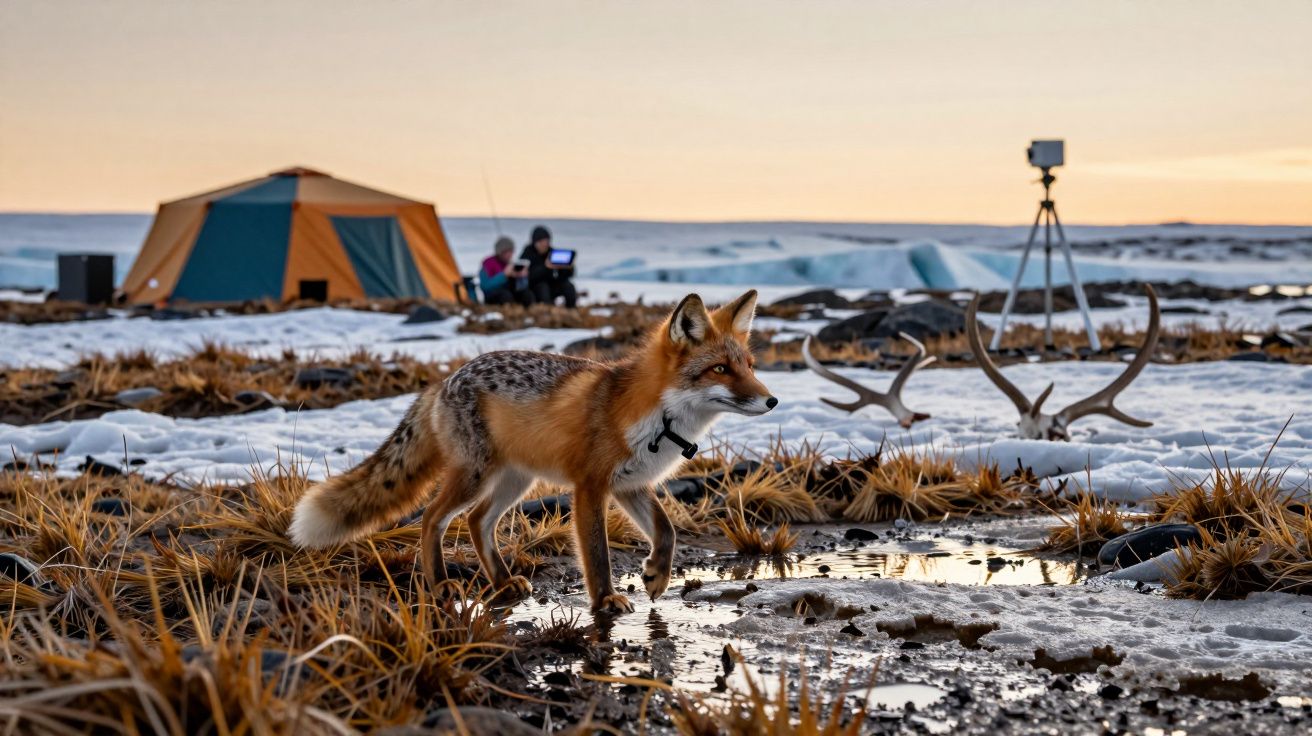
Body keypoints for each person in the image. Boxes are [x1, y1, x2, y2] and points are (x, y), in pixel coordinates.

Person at [520, 225, 577, 308]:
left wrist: (568, 268)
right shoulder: (527, 254)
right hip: (535, 288)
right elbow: (527, 277)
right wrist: (546, 267)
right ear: (535, 242)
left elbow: (566, 276)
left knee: (568, 286)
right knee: (543, 287)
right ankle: (548, 311)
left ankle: (571, 309)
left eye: (547, 241)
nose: (545, 244)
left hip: (552, 285)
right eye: (542, 242)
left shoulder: (552, 253)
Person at [479, 236, 533, 306]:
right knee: (506, 295)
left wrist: (520, 276)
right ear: (499, 252)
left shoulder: (511, 265)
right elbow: (485, 286)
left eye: (511, 251)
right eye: (506, 252)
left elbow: (521, 287)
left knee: (527, 294)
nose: (509, 255)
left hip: (509, 293)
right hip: (493, 296)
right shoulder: (488, 265)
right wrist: (504, 275)